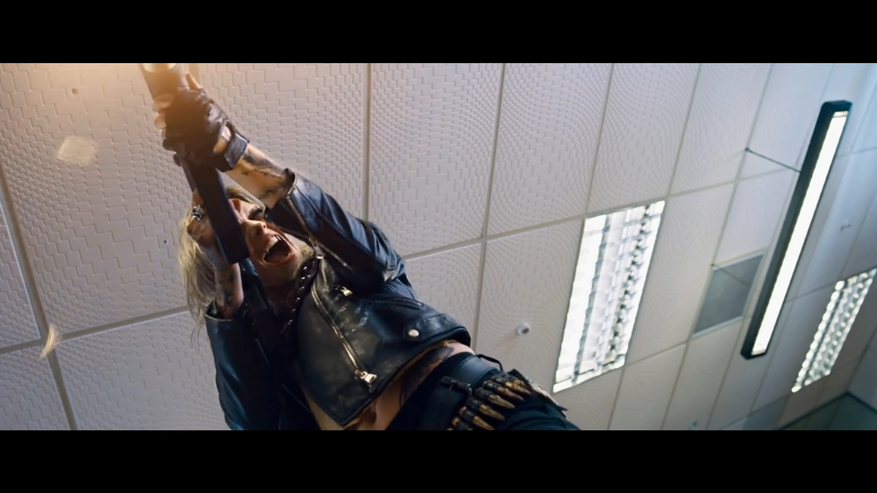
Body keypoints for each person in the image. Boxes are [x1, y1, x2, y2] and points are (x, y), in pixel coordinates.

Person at [157, 72, 579, 430]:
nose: (258, 226)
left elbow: (350, 241)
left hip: (480, 414)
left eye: (259, 215)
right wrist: (226, 273)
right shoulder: (273, 361)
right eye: (238, 231)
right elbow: (252, 423)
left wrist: (227, 147)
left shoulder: (341, 266)